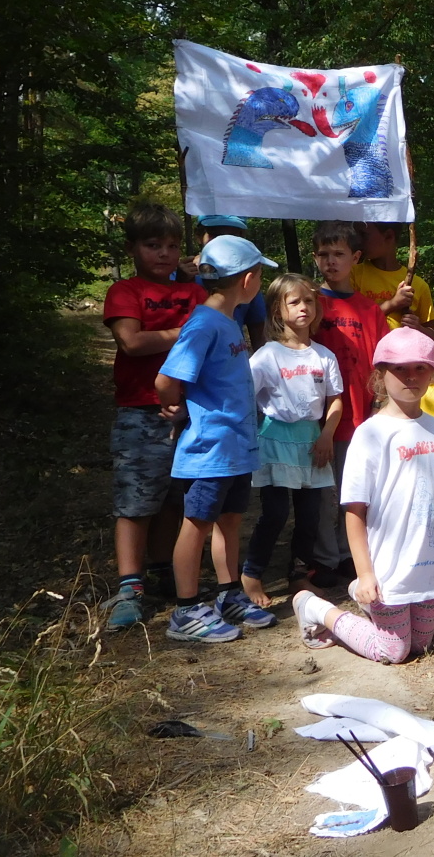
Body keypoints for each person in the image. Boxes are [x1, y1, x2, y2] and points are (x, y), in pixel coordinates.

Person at [291, 329, 434, 663]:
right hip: (386, 565)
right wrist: (365, 574)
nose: (411, 376)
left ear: (432, 373)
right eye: (400, 369)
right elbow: (355, 510)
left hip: (429, 564)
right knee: (394, 651)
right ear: (380, 374)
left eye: (420, 368)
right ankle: (315, 608)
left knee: (420, 646)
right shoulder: (369, 433)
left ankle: (373, 606)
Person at [155, 236, 280, 642]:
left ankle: (228, 594)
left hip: (235, 447)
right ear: (247, 280)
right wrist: (177, 407)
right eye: (259, 274)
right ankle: (186, 610)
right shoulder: (204, 324)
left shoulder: (227, 321)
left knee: (230, 520)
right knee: (197, 523)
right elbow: (166, 380)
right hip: (210, 449)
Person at [103, 202, 209, 631]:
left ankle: (164, 568)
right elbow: (131, 342)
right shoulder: (125, 291)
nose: (163, 254)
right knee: (136, 500)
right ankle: (129, 586)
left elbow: (213, 338)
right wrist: (185, 331)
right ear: (132, 248)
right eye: (152, 245)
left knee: (174, 497)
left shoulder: (194, 293)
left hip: (191, 410)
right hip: (140, 410)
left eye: (171, 245)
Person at [240, 274, 344, 606]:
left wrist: (326, 434)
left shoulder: (324, 355)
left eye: (309, 300)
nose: (303, 307)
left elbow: (335, 400)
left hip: (313, 442)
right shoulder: (268, 355)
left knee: (310, 514)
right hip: (274, 440)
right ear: (277, 310)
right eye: (294, 301)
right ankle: (252, 573)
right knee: (275, 512)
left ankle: (299, 574)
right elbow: (244, 394)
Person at [311, 221, 389, 585]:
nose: (331, 261)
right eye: (323, 254)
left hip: (359, 415)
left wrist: (379, 405)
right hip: (319, 417)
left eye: (339, 254)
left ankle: (348, 554)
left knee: (353, 487)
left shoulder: (370, 311)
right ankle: (322, 558)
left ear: (355, 258)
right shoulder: (310, 304)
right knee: (320, 492)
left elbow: (383, 364)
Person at [178, 215, 268, 350]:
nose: (222, 242)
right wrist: (180, 285)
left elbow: (259, 334)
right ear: (198, 235)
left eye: (232, 236)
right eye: (215, 235)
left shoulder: (245, 278)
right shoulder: (176, 275)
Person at [350, 222, 434, 334]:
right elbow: (350, 320)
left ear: (388, 236)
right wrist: (393, 303)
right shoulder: (352, 274)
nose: (358, 241)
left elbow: (432, 335)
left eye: (363, 235)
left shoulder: (419, 285)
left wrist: (418, 328)